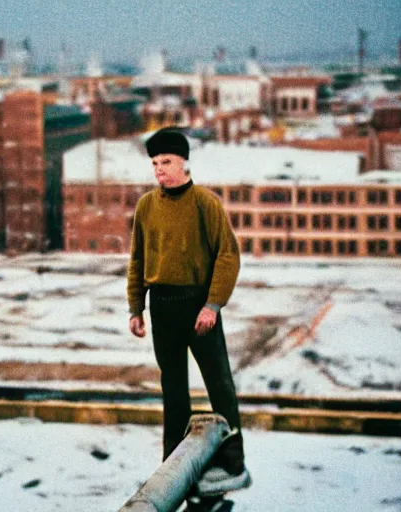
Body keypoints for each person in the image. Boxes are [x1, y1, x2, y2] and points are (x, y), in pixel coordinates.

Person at [127, 128, 251, 496]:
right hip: (161, 307)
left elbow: (228, 256)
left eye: (165, 162)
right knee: (173, 390)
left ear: (183, 162)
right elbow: (137, 260)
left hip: (199, 309)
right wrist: (136, 307)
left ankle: (233, 460)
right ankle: (173, 463)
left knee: (219, 383)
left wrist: (213, 304)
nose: (159, 170)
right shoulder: (146, 206)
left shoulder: (205, 203)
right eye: (154, 163)